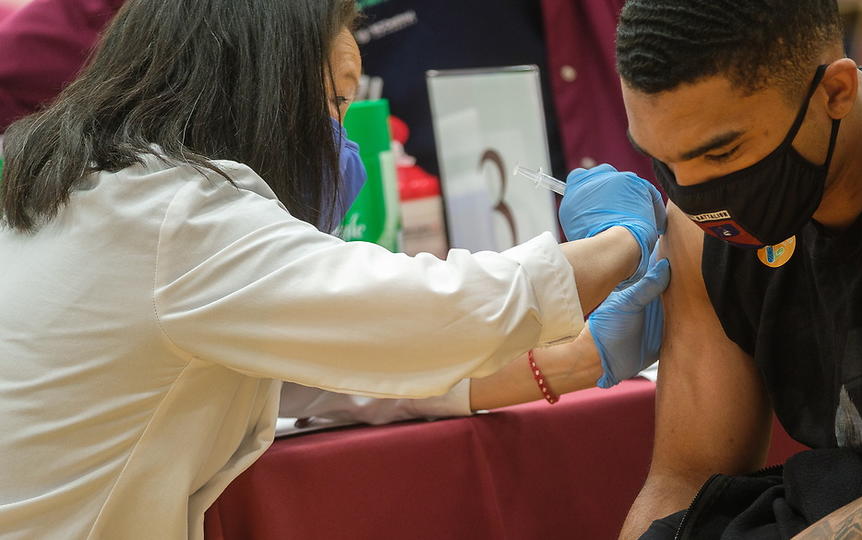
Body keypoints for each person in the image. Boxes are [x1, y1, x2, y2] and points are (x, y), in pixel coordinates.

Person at [0, 1, 668, 539]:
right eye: (335, 101)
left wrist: (579, 359)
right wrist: (623, 241)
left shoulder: (94, 191)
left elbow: (338, 373)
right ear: (259, 92)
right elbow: (432, 316)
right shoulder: (180, 220)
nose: (343, 139)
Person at [612, 1, 862, 539]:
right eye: (663, 160)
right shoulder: (698, 230)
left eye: (722, 153)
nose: (693, 194)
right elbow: (684, 480)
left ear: (835, 92)